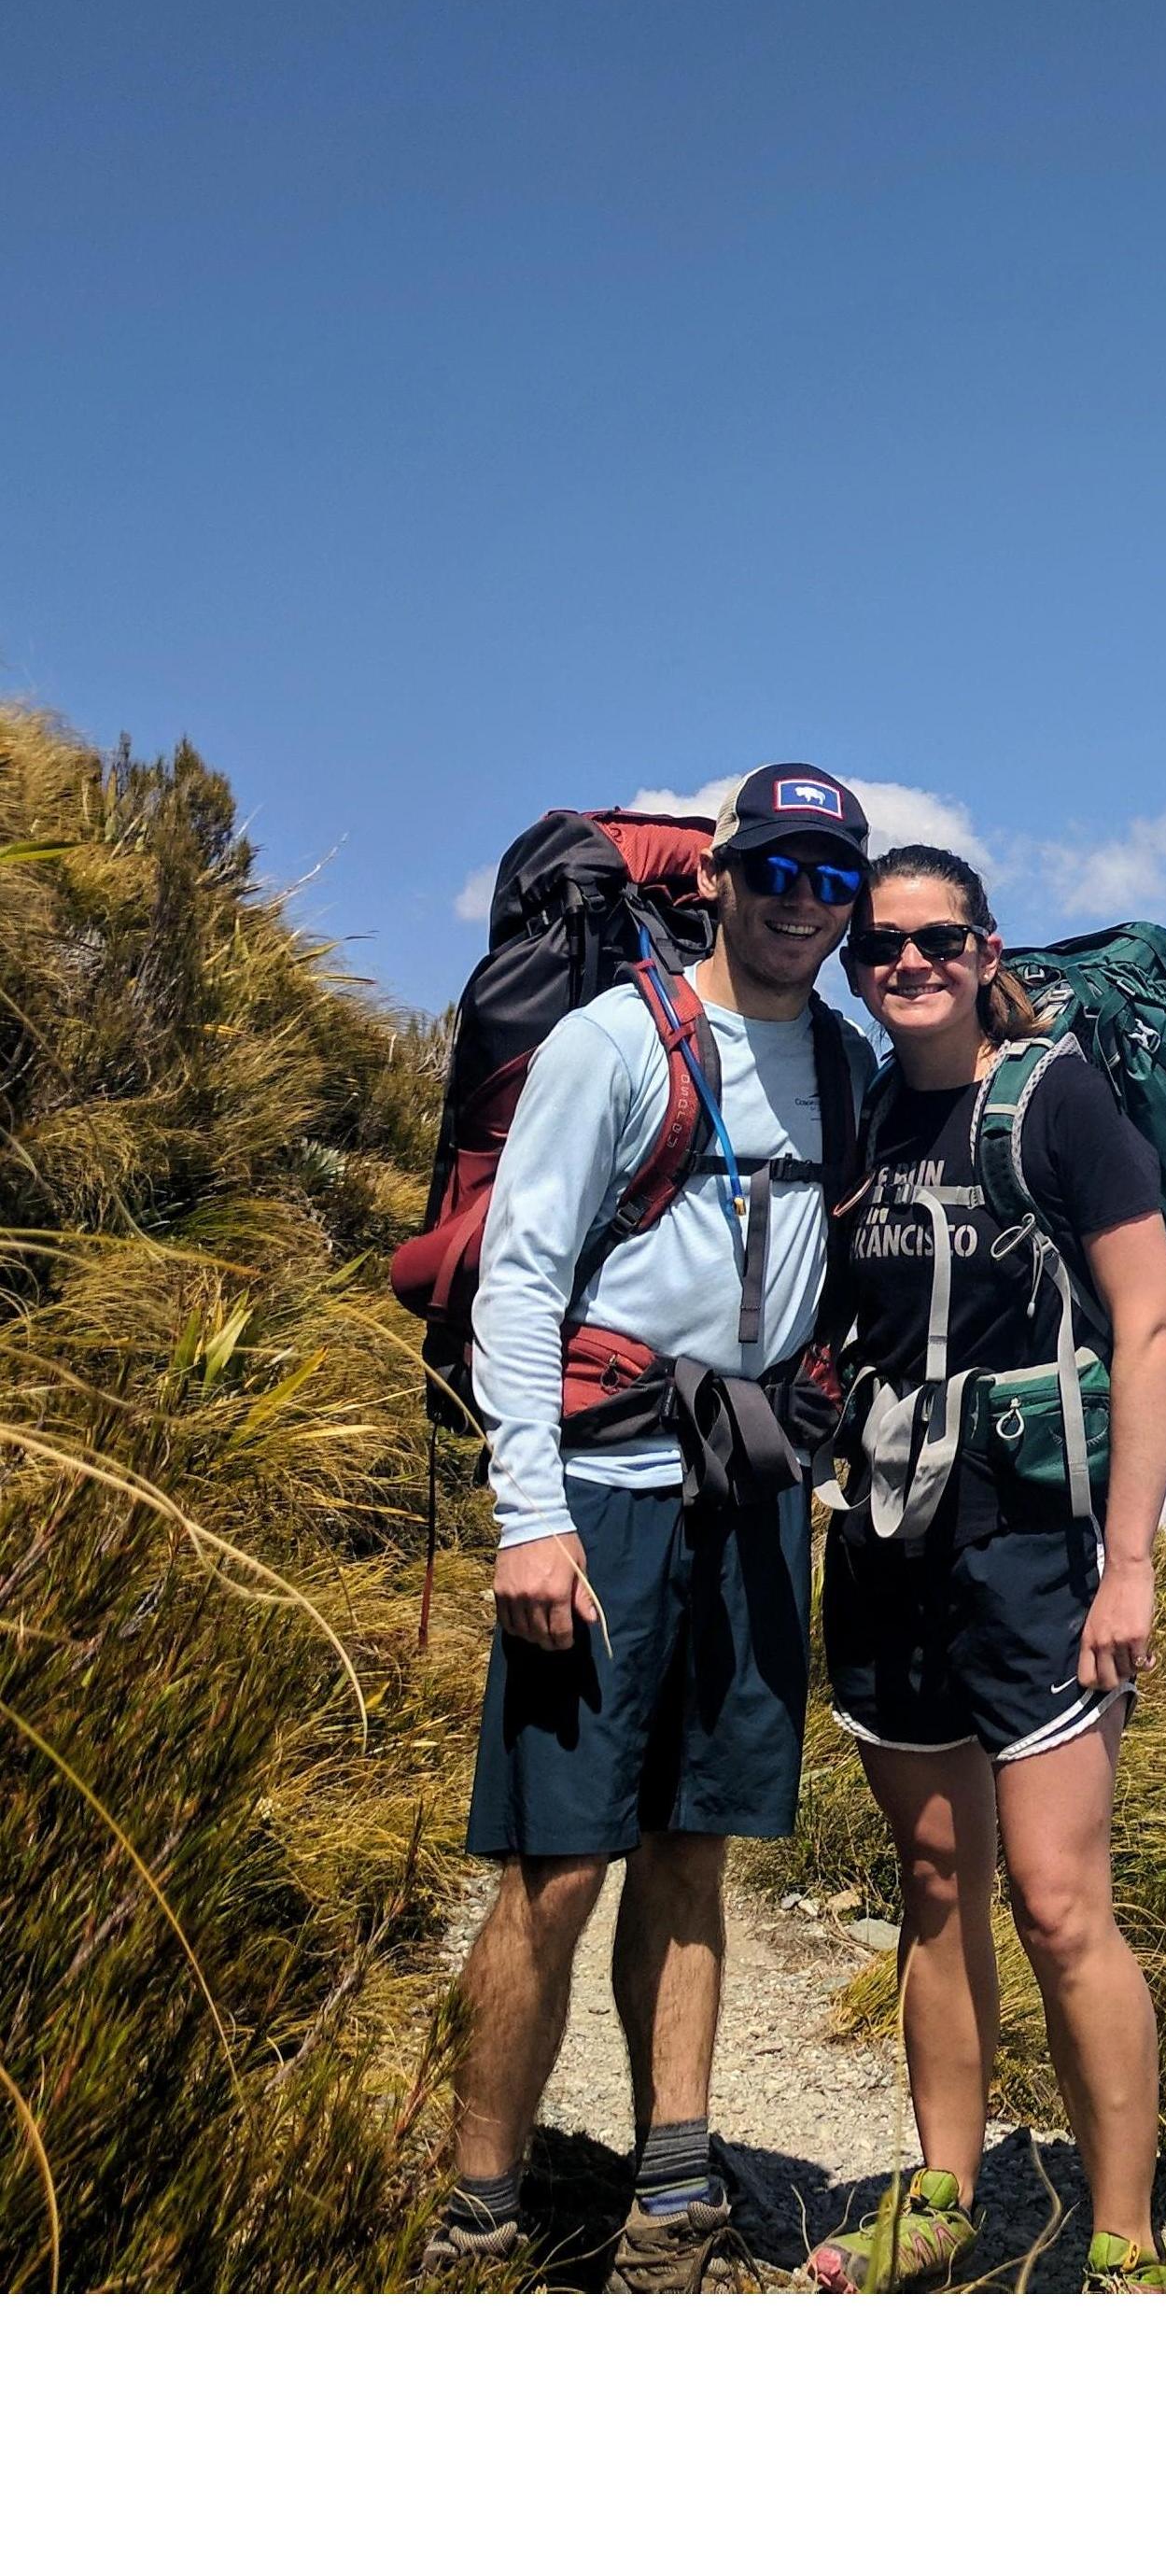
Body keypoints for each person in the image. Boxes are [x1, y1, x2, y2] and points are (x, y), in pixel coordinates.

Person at [432, 765, 878, 2290]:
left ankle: (671, 2194)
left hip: (749, 1499)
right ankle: (477, 2208)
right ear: (728, 874)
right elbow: (520, 1279)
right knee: (555, 1868)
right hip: (603, 1499)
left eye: (831, 882)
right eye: (778, 872)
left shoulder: (841, 1058)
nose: (801, 904)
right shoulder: (613, 1038)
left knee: (692, 1854)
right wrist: (527, 1518)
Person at [808, 845, 1166, 2292]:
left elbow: (1146, 1325)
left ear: (984, 948)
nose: (905, 964)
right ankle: (946, 2193)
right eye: (879, 947)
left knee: (1056, 1896)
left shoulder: (1054, 1098)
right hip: (886, 1542)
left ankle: (1125, 2237)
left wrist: (1131, 1565)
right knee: (932, 1879)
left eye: (935, 940)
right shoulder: (862, 1115)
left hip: (1033, 1550)